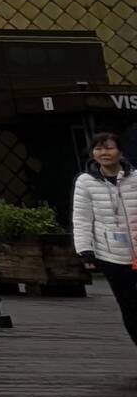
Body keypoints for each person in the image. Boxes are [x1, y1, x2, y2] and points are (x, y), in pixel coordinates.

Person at [73, 131, 137, 348]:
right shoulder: (86, 182)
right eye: (99, 149)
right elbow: (81, 217)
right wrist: (85, 250)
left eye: (109, 147)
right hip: (111, 254)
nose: (104, 153)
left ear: (120, 151)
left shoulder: (135, 178)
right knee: (129, 305)